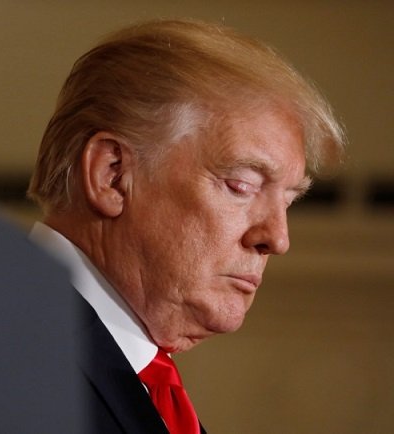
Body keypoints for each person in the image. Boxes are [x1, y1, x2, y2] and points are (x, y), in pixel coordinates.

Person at [27, 18, 345, 433]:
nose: (277, 238)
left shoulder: (140, 383)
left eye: (289, 201)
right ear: (113, 174)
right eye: (241, 185)